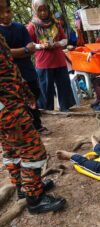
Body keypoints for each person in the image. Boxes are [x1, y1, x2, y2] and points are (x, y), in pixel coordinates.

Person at [0, 0, 66, 214]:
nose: (4, 15)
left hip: (13, 99)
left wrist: (25, 93)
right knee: (31, 148)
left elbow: (8, 68)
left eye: (6, 9)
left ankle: (23, 187)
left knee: (12, 147)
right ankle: (35, 199)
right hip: (6, 107)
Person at [0, 2, 50, 135]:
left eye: (9, 11)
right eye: (4, 12)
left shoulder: (20, 27)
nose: (6, 14)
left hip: (27, 68)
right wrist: (24, 50)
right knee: (18, 99)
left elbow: (31, 47)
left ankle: (37, 125)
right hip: (10, 73)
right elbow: (6, 53)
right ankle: (28, 128)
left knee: (34, 93)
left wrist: (21, 51)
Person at [27, 0, 75, 112]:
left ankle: (65, 107)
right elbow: (29, 44)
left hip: (59, 60)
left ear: (48, 9)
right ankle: (47, 110)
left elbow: (65, 39)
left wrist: (57, 43)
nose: (43, 13)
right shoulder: (32, 26)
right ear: (35, 10)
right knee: (45, 88)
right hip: (44, 63)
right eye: (40, 10)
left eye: (45, 10)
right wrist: (41, 46)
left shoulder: (56, 23)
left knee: (63, 85)